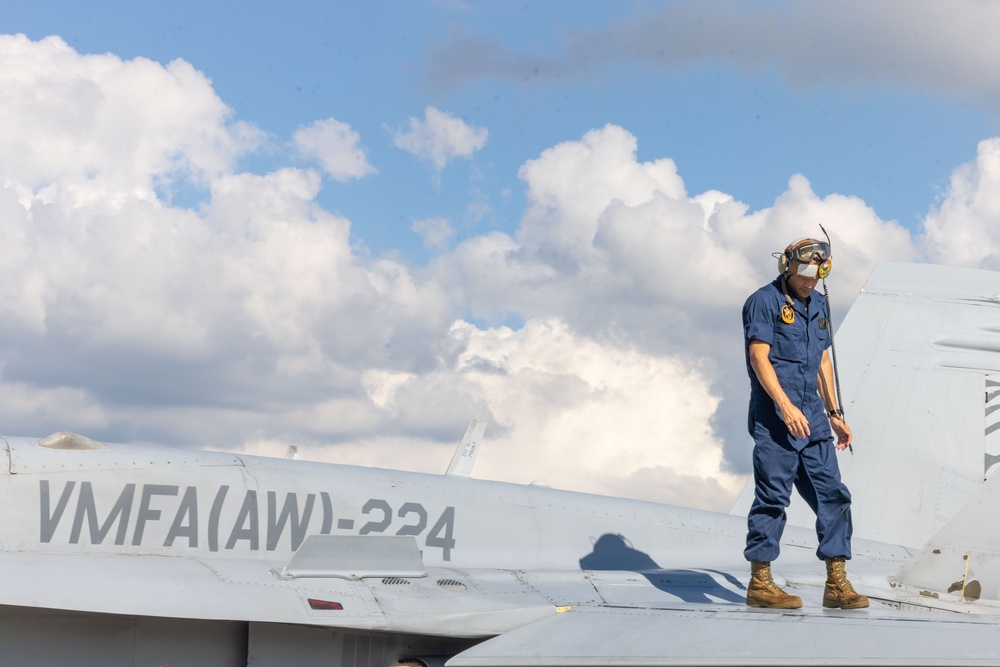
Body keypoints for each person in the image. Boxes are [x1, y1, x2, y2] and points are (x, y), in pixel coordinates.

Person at [741, 237, 868, 610]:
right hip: (776, 420)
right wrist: (784, 406)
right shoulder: (763, 301)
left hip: (813, 417)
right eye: (806, 272)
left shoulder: (820, 303)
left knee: (834, 496)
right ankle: (760, 584)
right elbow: (758, 358)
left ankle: (836, 584)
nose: (811, 281)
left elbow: (822, 360)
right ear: (788, 266)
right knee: (773, 499)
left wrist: (834, 413)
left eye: (820, 273)